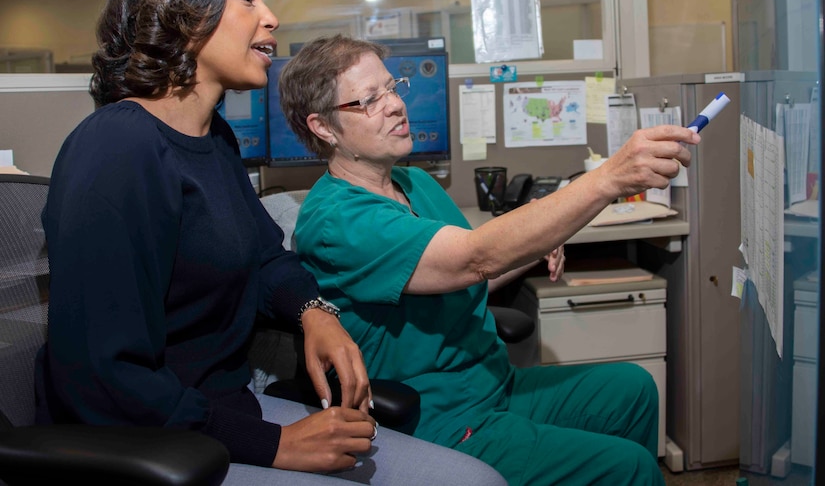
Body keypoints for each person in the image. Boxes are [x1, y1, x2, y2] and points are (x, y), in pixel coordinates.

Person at [34, 0, 507, 485]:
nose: (272, 19)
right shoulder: (116, 150)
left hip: (222, 415)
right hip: (152, 445)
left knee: (474, 480)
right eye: (248, 0)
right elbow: (103, 378)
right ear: (183, 15)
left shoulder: (213, 139)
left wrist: (314, 311)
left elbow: (265, 258)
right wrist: (274, 444)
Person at [279, 34, 702, 486]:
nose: (395, 105)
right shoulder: (338, 220)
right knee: (628, 466)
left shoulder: (413, 181)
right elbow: (473, 258)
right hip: (436, 416)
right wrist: (608, 178)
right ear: (323, 128)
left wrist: (540, 240)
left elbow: (467, 274)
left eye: (392, 88)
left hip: (492, 379)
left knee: (631, 390)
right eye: (368, 99)